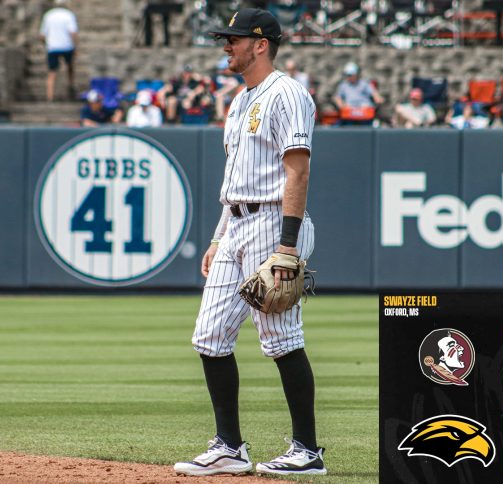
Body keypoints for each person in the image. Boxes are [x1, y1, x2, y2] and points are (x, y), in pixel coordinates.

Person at [173, 7, 326, 477]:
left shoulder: (288, 94)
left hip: (270, 224)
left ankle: (307, 450)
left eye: (235, 39)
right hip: (236, 222)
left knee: (281, 337)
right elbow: (234, 177)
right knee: (210, 336)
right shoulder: (240, 101)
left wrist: (287, 245)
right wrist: (219, 237)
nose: (227, 45)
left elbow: (296, 169)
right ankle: (229, 447)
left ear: (261, 45)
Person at [39, 0, 78, 102]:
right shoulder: (69, 15)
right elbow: (73, 32)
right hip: (67, 46)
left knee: (52, 72)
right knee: (70, 68)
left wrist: (47, 44)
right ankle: (70, 87)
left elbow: (42, 35)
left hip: (52, 47)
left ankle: (50, 96)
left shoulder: (48, 15)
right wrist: (75, 46)